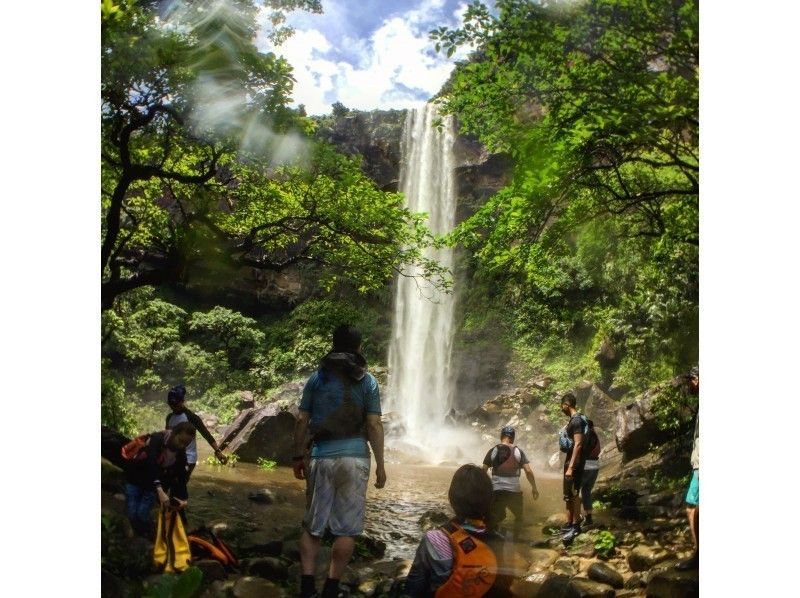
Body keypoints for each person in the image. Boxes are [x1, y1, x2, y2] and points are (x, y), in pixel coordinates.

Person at [292, 324, 386, 598]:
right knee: (347, 529)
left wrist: (297, 455)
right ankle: (331, 588)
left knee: (313, 526)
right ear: (359, 347)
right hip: (355, 458)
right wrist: (381, 465)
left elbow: (302, 419)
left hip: (321, 456)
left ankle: (307, 587)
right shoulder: (368, 381)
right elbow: (374, 424)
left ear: (333, 345)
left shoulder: (317, 378)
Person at [406, 464, 512, 597]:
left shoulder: (435, 538)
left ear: (452, 498)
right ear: (490, 499)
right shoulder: (504, 538)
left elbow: (414, 587)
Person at [123, 421, 196, 538]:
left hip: (152, 485)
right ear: (174, 433)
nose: (182, 446)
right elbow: (151, 463)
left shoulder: (180, 453)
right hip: (135, 478)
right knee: (131, 512)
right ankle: (138, 534)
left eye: (186, 444)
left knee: (142, 513)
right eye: (181, 441)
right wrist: (160, 490)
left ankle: (146, 535)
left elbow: (182, 476)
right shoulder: (158, 439)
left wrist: (184, 498)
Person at [481, 426, 539, 538]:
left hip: (497, 490)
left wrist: (484, 489)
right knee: (518, 517)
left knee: (494, 518)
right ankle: (517, 540)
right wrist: (534, 488)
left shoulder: (493, 451)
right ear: (513, 438)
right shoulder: (518, 451)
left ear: (501, 436)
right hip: (514, 491)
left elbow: (483, 471)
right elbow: (528, 471)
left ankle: (493, 540)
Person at [165, 384, 228, 479]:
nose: (172, 407)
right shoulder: (169, 417)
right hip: (172, 457)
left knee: (179, 483)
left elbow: (206, 434)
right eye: (170, 404)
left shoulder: (191, 417)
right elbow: (167, 437)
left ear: (182, 401)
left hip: (188, 458)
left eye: (175, 404)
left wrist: (218, 451)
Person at [677, 366, 700, 570]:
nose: (689, 385)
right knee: (692, 506)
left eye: (690, 380)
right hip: (698, 464)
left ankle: (699, 554)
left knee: (695, 508)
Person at [559, 393, 587, 546]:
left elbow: (578, 444)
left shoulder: (576, 421)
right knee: (569, 495)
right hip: (571, 462)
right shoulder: (573, 420)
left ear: (567, 404)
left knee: (574, 494)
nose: (561, 408)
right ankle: (569, 524)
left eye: (562, 405)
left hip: (574, 464)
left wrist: (570, 467)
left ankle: (576, 526)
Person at [578, 419, 601, 527]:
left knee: (575, 491)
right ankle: (589, 518)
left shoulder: (588, 434)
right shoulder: (594, 434)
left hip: (587, 464)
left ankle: (576, 518)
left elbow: (582, 449)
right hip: (595, 464)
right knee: (586, 491)